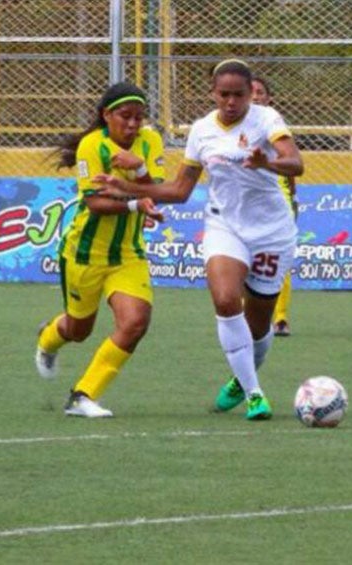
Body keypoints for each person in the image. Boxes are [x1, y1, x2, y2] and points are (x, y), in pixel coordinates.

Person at [94, 59, 304, 420]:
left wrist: (265, 162)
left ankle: (242, 376)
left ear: (250, 93)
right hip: (225, 225)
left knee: (258, 324)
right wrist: (125, 186)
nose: (231, 102)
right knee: (225, 300)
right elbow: (179, 190)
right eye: (224, 94)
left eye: (239, 94)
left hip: (271, 230)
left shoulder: (267, 120)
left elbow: (295, 163)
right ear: (213, 93)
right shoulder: (202, 130)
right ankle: (255, 394)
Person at [34, 82, 164, 418]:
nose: (133, 124)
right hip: (84, 254)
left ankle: (83, 395)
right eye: (125, 116)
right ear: (106, 115)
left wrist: (138, 168)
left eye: (139, 117)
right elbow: (95, 203)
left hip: (128, 254)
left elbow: (158, 189)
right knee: (78, 331)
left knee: (136, 322)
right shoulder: (92, 146)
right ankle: (48, 337)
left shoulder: (150, 142)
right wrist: (136, 204)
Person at [251, 75, 298, 338]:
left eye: (261, 92)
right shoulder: (235, 125)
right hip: (246, 202)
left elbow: (290, 164)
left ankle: (280, 318)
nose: (256, 96)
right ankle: (249, 314)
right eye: (252, 91)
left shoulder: (273, 123)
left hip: (276, 198)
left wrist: (292, 196)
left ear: (269, 99)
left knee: (280, 257)